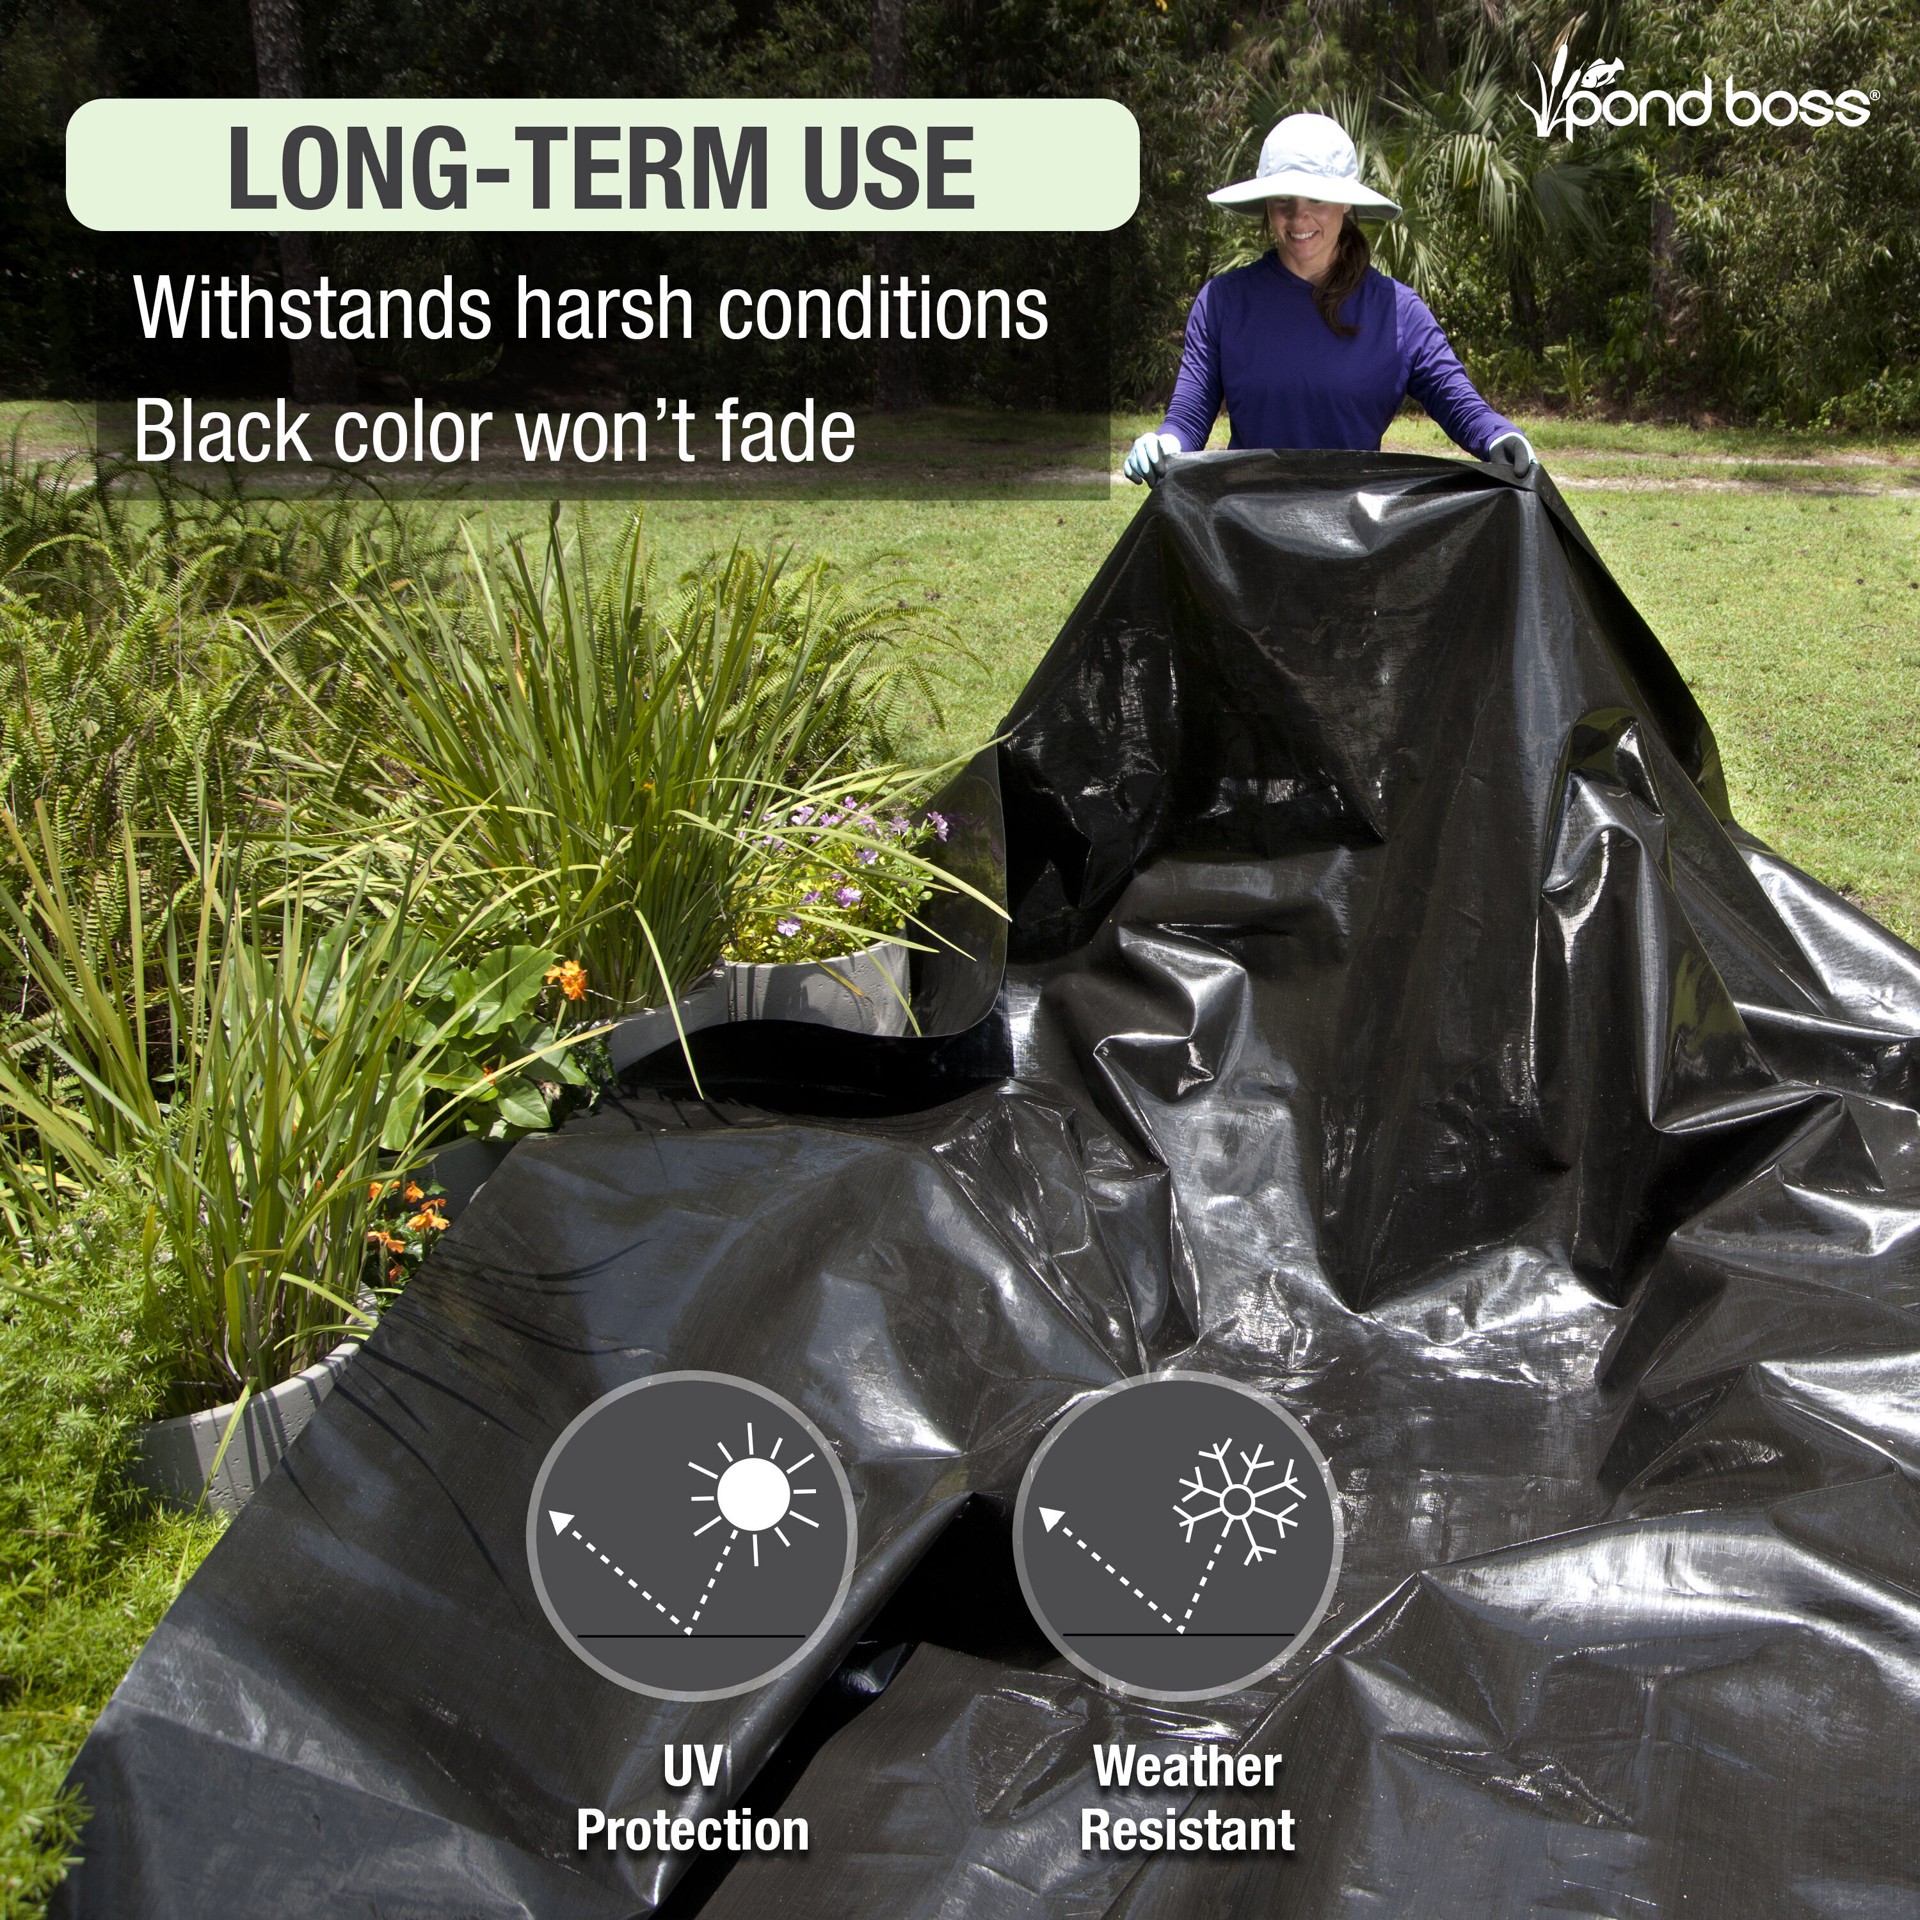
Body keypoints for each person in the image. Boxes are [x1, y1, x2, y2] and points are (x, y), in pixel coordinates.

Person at [1125, 113, 1534, 485]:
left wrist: (1500, 436)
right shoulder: (1223, 302)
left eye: (1316, 199)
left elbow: (1459, 403)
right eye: (1283, 200)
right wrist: (1165, 443)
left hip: (1357, 531)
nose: (1298, 216)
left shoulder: (1398, 312)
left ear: (1346, 201)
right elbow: (1188, 418)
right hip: (1246, 528)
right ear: (1266, 204)